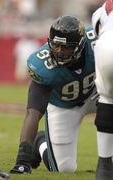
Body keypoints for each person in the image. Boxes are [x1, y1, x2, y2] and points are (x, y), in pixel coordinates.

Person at [10, 15, 97, 174]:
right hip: (62, 106)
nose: (59, 51)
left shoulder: (95, 42)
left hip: (94, 95)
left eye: (66, 47)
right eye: (56, 45)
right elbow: (33, 112)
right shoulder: (42, 65)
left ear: (80, 44)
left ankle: (106, 162)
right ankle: (40, 142)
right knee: (64, 169)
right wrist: (23, 160)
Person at [92, 0, 113, 179]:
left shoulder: (100, 11)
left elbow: (100, 39)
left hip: (107, 45)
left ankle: (104, 165)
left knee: (107, 99)